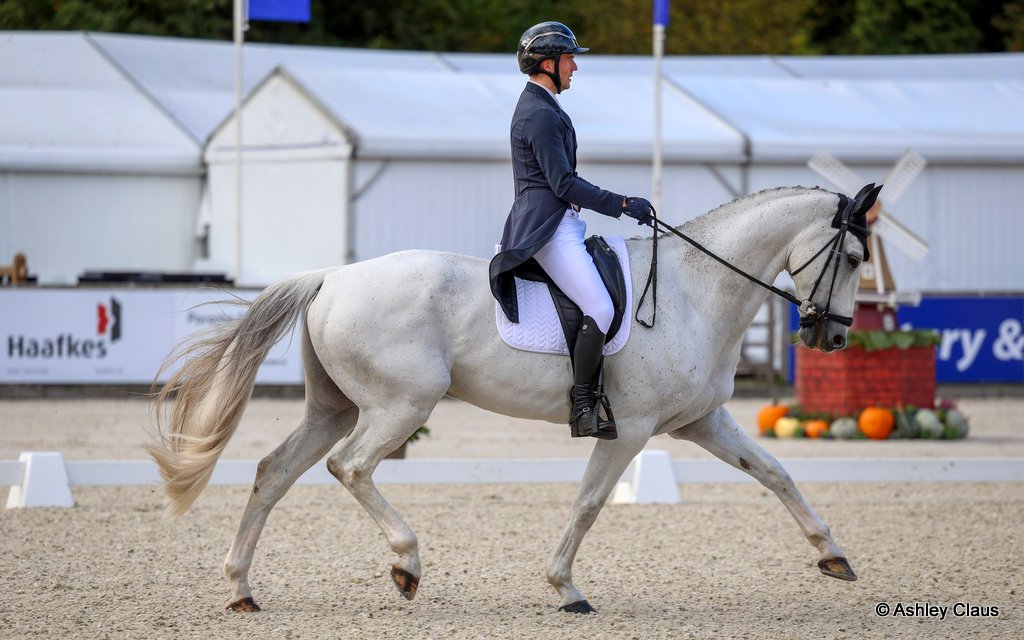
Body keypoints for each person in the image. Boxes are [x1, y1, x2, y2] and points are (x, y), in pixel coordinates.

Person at [488, 21, 654, 441]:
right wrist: (621, 203)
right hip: (546, 229)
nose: (575, 66)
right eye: (569, 59)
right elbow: (562, 184)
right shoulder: (539, 114)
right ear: (547, 64)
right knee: (600, 308)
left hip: (560, 221)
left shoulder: (544, 107)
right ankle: (583, 406)